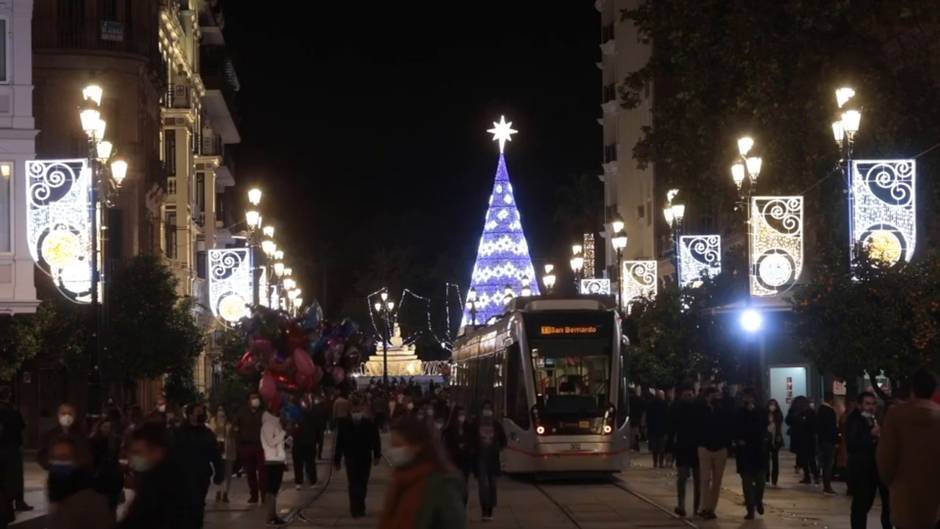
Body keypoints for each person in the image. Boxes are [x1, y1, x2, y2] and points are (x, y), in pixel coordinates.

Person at [877, 369, 940, 529]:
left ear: (912, 389)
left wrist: (891, 482)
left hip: (904, 493)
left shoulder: (896, 416)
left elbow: (886, 457)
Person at [378, 416, 466, 529]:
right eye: (392, 445)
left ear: (417, 446)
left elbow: (454, 522)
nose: (393, 450)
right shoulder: (400, 480)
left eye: (398, 445)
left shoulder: (441, 484)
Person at [119, 423, 192, 529]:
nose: (132, 457)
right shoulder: (155, 477)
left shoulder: (162, 484)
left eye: (137, 452)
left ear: (156, 451)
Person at [45, 437, 114, 529]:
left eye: (64, 457)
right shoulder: (55, 490)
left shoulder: (92, 500)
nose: (59, 462)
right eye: (55, 457)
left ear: (77, 460)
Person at [846, 391, 891, 529]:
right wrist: (871, 436)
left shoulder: (872, 418)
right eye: (867, 404)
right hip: (861, 470)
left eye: (873, 404)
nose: (871, 407)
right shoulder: (854, 419)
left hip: (873, 469)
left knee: (869, 503)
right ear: (860, 405)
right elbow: (852, 444)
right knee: (861, 505)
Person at [173, 403, 223, 529]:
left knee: (198, 506)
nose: (201, 414)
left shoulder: (207, 433)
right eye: (198, 412)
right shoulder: (179, 432)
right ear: (190, 415)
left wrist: (219, 472)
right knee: (185, 506)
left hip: (201, 475)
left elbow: (215, 454)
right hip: (182, 476)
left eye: (202, 412)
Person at [334, 398, 381, 518]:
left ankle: (361, 506)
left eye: (358, 410)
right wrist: (337, 459)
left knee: (363, 483)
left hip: (365, 458)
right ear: (350, 411)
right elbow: (339, 443)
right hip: (351, 458)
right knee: (353, 483)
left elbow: (376, 441)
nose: (356, 413)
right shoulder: (344, 424)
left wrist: (377, 455)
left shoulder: (369, 424)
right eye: (354, 411)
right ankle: (354, 509)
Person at [695, 387, 731, 520]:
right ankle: (705, 507)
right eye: (711, 395)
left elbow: (728, 425)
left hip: (720, 448)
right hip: (705, 447)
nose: (714, 397)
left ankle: (711, 508)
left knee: (717, 481)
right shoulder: (700, 410)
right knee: (705, 480)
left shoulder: (723, 410)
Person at [467, 400, 506, 521]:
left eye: (489, 408)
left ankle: (490, 509)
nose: (487, 411)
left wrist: (498, 448)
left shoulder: (496, 424)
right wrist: (473, 449)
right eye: (485, 408)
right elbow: (470, 439)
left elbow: (504, 440)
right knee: (483, 485)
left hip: (493, 459)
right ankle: (484, 509)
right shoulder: (475, 424)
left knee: (493, 484)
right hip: (480, 459)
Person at [734, 388, 769, 520]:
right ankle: (750, 509)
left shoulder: (761, 411)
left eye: (750, 396)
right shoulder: (739, 412)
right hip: (744, 452)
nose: (747, 399)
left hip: (759, 451)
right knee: (747, 483)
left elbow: (764, 426)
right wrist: (738, 440)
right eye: (745, 397)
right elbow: (735, 428)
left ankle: (758, 500)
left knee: (760, 482)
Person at [669, 385, 700, 517]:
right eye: (686, 395)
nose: (688, 397)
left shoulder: (698, 408)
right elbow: (671, 429)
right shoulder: (676, 408)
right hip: (682, 448)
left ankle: (696, 507)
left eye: (690, 394)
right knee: (682, 477)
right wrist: (670, 449)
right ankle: (681, 505)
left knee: (698, 480)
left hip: (696, 448)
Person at [0, 387, 32, 513]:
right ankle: (18, 502)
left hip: (3, 447)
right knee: (16, 477)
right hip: (13, 448)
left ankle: (6, 503)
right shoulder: (13, 411)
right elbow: (21, 427)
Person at [235, 393, 266, 503]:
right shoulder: (242, 413)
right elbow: (236, 429)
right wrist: (239, 446)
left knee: (263, 472)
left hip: (261, 446)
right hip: (246, 446)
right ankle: (253, 495)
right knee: (250, 472)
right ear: (248, 400)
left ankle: (264, 494)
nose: (255, 400)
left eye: (256, 398)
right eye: (253, 398)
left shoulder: (264, 413)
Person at [88, 416, 124, 510]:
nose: (107, 429)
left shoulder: (115, 440)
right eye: (105, 426)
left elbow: (116, 459)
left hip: (112, 479)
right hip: (99, 478)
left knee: (112, 507)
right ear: (100, 427)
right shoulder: (93, 441)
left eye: (109, 427)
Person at [38, 404, 88, 471]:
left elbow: (86, 455)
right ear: (58, 415)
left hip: (76, 475)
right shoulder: (50, 435)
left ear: (75, 415)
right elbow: (41, 454)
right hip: (56, 474)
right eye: (63, 413)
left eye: (70, 413)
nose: (67, 416)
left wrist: (78, 465)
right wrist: (49, 466)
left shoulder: (81, 435)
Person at [261, 406, 288, 526]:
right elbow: (271, 442)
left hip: (277, 461)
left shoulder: (275, 424)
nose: (282, 413)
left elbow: (279, 443)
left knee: (274, 490)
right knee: (271, 490)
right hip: (271, 461)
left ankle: (273, 515)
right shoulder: (268, 424)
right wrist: (284, 433)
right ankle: (270, 517)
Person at [442, 406, 472, 504]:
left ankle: (462, 505)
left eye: (463, 414)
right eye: (460, 414)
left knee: (463, 484)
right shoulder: (449, 430)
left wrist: (466, 447)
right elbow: (446, 446)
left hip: (465, 461)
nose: (461, 417)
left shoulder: (468, 427)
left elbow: (472, 442)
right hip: (454, 461)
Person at [208, 407, 235, 503]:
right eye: (219, 410)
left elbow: (233, 435)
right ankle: (218, 492)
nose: (221, 412)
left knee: (228, 473)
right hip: (218, 450)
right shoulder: (213, 421)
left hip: (229, 450)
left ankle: (225, 493)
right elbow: (211, 434)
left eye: (223, 410)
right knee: (219, 472)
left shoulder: (230, 422)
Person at [291, 398, 317, 490]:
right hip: (304, 442)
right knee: (305, 463)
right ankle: (305, 481)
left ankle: (305, 481)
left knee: (305, 463)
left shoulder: (310, 416)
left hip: (305, 442)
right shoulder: (297, 416)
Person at [817, 392, 839, 494]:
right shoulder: (830, 411)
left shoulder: (820, 410)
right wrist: (836, 440)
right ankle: (827, 485)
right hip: (829, 441)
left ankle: (825, 483)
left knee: (824, 462)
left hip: (822, 440)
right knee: (829, 463)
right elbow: (832, 428)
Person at [647, 390, 669, 468]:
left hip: (653, 429)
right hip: (662, 429)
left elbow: (648, 418)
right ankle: (661, 463)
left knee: (654, 448)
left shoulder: (651, 404)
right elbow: (667, 418)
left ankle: (655, 462)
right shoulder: (665, 405)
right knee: (661, 448)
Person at [766, 399, 784, 487]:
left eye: (773, 405)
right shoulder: (764, 414)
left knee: (775, 460)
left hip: (775, 439)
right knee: (766, 460)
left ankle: (774, 479)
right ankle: (766, 478)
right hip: (766, 439)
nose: (772, 406)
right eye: (771, 404)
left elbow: (779, 427)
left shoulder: (778, 415)